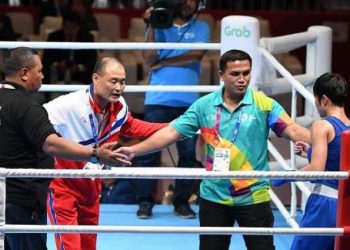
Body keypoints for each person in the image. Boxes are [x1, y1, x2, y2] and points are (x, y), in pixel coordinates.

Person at [117, 49, 311, 250]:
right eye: (235, 74)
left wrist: (332, 139)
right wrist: (134, 150)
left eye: (246, 73)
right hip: (213, 197)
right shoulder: (204, 106)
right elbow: (170, 133)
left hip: (253, 195)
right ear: (221, 75)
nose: (242, 79)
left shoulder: (265, 105)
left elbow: (294, 130)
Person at [0, 47, 129, 250]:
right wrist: (95, 154)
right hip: (21, 198)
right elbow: (51, 143)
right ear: (25, 74)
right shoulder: (28, 107)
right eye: (39, 70)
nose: (43, 76)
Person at [44, 56, 167, 250]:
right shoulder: (69, 104)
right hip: (63, 187)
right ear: (95, 78)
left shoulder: (119, 108)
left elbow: (133, 127)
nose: (119, 87)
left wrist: (174, 128)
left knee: (88, 247)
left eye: (123, 82)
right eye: (113, 81)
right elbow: (34, 123)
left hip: (92, 188)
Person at [132, 0, 210, 219]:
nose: (187, 3)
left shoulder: (202, 27)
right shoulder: (159, 23)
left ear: (199, 4)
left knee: (187, 155)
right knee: (148, 153)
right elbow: (148, 59)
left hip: (188, 103)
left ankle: (182, 202)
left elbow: (194, 56)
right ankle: (145, 203)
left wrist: (163, 62)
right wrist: (152, 24)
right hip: (157, 100)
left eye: (192, 0)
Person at [274, 72, 350, 250]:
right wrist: (310, 151)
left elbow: (317, 169)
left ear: (323, 99)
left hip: (325, 203)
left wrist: (286, 176)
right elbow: (339, 159)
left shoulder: (322, 125)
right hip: (345, 203)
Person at [41, 11, 97, 86]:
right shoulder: (53, 37)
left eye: (74, 27)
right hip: (57, 76)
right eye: (67, 27)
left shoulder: (87, 38)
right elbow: (46, 59)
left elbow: (92, 60)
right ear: (63, 26)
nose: (70, 31)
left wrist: (78, 67)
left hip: (81, 77)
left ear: (79, 27)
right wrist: (57, 65)